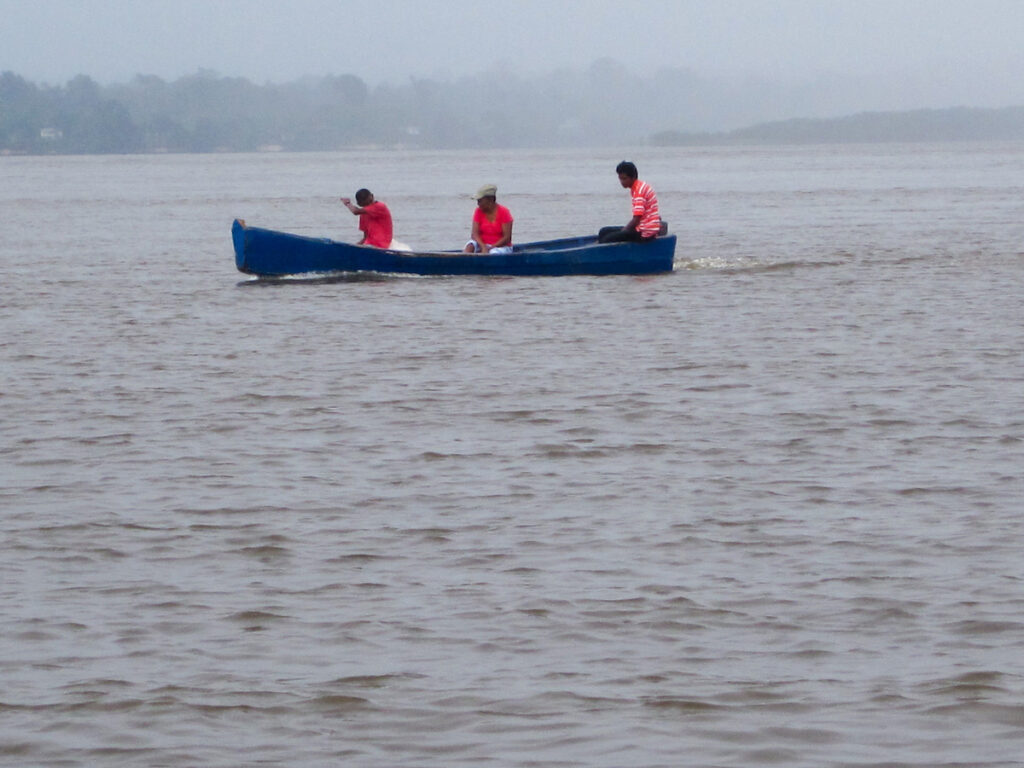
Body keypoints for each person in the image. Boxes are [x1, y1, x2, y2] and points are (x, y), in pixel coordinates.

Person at [598, 161, 660, 243]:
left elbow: (637, 219)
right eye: (620, 178)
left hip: (645, 232)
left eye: (624, 179)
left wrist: (623, 231)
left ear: (633, 177)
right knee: (604, 231)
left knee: (607, 239)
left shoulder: (639, 191)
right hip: (643, 227)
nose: (622, 182)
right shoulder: (638, 187)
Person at [464, 184, 513, 254]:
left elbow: (507, 238)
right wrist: (483, 246)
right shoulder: (478, 211)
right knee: (470, 245)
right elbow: (475, 234)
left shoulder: (504, 212)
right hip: (483, 244)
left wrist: (491, 247)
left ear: (490, 200)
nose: (478, 204)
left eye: (480, 201)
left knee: (493, 253)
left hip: (501, 247)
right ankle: (465, 261)